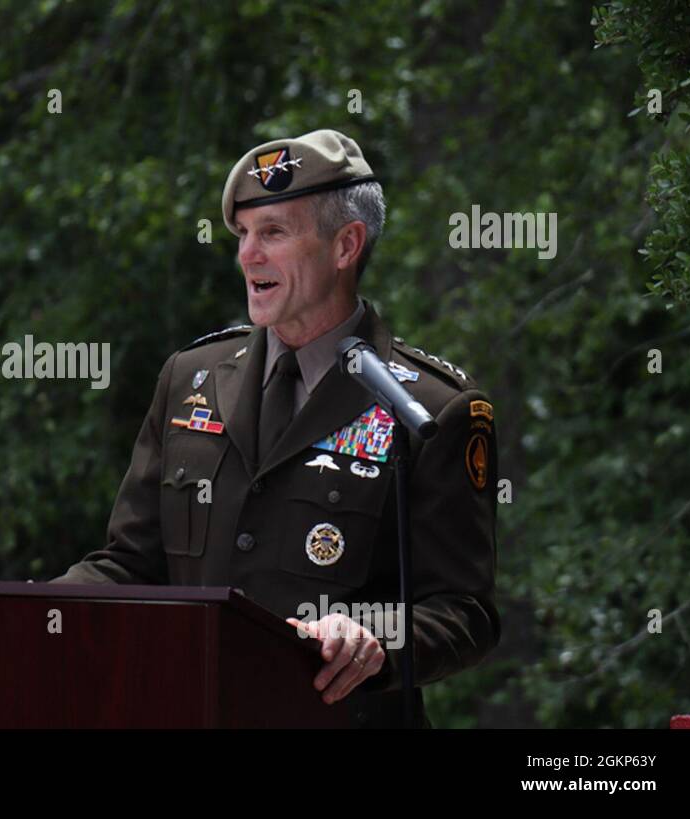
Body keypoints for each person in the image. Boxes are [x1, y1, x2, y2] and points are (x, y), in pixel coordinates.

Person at [50, 129, 500, 728]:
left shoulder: (431, 408)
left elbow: (465, 611)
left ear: (345, 246)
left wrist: (374, 639)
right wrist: (37, 610)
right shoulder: (191, 378)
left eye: (274, 233)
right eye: (243, 234)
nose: (247, 255)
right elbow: (133, 564)